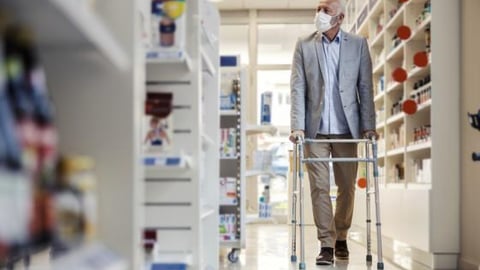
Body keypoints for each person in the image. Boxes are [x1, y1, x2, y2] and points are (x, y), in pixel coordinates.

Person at [289, 0, 377, 265]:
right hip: (314, 131)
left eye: (325, 11)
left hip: (346, 130)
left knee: (347, 187)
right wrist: (297, 126)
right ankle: (326, 244)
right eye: (318, 9)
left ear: (339, 18)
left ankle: (341, 236)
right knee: (318, 187)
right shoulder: (303, 45)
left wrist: (369, 126)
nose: (319, 14)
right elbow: (297, 88)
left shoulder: (358, 45)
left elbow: (365, 87)